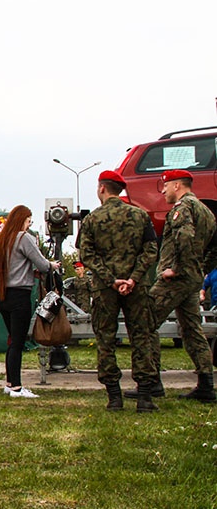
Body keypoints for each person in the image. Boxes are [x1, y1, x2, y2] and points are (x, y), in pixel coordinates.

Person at [78, 170, 160, 412]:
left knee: (105, 339)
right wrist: (133, 279)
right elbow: (151, 250)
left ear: (102, 188)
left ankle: (114, 397)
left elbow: (87, 254)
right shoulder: (140, 215)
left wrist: (111, 279)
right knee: (141, 337)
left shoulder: (93, 219)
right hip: (137, 287)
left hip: (105, 289)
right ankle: (145, 396)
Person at [146, 170, 217, 403]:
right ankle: (206, 385)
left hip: (175, 280)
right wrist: (201, 268)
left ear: (177, 185)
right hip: (192, 278)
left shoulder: (181, 209)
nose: (163, 191)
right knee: (191, 330)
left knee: (145, 322)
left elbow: (184, 237)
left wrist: (175, 268)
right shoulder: (206, 211)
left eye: (165, 186)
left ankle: (151, 382)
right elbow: (215, 247)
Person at [0, 205, 60, 398]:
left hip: (4, 296)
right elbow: (42, 263)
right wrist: (52, 265)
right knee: (18, 343)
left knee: (12, 340)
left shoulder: (2, 241)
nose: (29, 225)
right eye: (29, 221)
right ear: (22, 220)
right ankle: (17, 388)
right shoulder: (24, 238)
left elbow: (16, 266)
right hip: (20, 296)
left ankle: (10, 382)